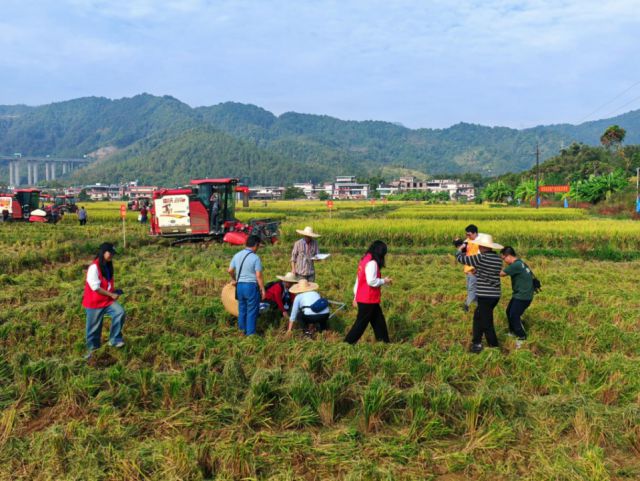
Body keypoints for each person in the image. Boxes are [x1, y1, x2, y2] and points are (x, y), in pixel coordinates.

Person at [455, 233, 503, 353]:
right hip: (494, 295)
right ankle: (476, 342)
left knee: (486, 322)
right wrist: (479, 272)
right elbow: (487, 272)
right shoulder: (497, 258)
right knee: (478, 317)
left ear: (482, 247)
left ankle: (494, 347)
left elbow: (462, 259)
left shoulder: (481, 258)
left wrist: (459, 249)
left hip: (485, 296)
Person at [82, 242, 125, 357]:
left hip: (106, 301)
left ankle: (114, 339)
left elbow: (107, 283)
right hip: (94, 302)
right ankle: (92, 352)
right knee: (94, 329)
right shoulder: (94, 267)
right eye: (109, 252)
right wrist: (111, 295)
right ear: (103, 252)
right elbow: (95, 287)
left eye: (113, 253)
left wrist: (114, 291)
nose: (112, 255)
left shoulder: (108, 265)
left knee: (120, 312)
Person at [344, 240, 392, 344]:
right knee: (360, 324)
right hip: (368, 299)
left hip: (368, 299)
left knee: (379, 321)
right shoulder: (372, 262)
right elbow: (371, 281)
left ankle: (384, 343)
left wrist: (355, 296)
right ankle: (347, 343)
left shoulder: (365, 259)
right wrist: (384, 281)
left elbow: (358, 280)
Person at [228, 235, 265, 336]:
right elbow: (258, 276)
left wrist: (234, 279)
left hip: (240, 287)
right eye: (258, 246)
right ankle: (250, 334)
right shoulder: (255, 258)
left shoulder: (237, 255)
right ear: (256, 245)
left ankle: (241, 331)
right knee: (252, 311)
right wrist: (262, 289)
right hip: (251, 287)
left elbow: (230, 270)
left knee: (242, 309)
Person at [500, 246, 535, 347]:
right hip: (520, 294)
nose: (504, 261)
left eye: (503, 258)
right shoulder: (520, 262)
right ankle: (512, 331)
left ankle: (522, 337)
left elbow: (501, 274)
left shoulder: (516, 265)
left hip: (523, 296)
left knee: (514, 315)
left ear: (508, 256)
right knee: (509, 311)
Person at [453, 224, 480, 312]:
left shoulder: (480, 243)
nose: (467, 236)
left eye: (469, 234)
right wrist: (458, 243)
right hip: (467, 270)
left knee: (472, 289)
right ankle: (477, 307)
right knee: (470, 289)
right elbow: (463, 251)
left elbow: (482, 257)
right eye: (466, 234)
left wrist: (477, 268)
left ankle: (466, 306)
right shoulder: (468, 240)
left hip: (474, 270)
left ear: (475, 233)